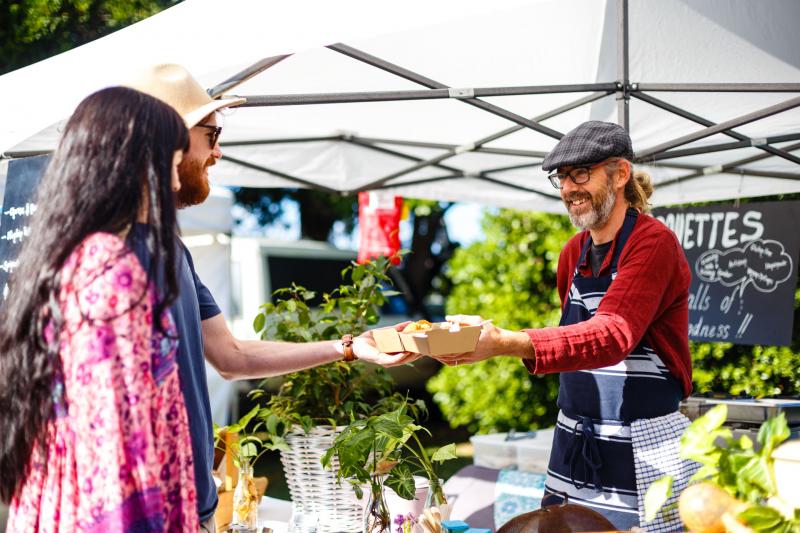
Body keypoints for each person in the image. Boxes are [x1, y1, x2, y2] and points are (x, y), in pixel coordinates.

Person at [127, 64, 399, 532]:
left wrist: (349, 348)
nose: (217, 152)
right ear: (169, 141)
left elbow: (231, 356)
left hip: (196, 507)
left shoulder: (174, 249)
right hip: (145, 511)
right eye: (211, 134)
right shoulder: (109, 252)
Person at [416, 122, 697, 531]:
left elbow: (612, 334)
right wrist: (487, 339)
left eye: (581, 173)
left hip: (643, 448)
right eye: (561, 177)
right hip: (574, 445)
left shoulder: (654, 244)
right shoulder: (572, 253)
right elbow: (576, 341)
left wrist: (505, 343)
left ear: (620, 174)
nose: (568, 187)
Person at [0, 86, 197, 531]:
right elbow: (114, 442)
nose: (176, 183)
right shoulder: (107, 268)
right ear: (134, 165)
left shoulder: (66, 259)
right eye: (169, 165)